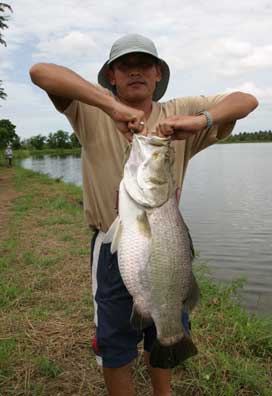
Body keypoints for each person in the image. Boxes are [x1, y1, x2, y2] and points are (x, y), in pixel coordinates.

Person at [29, 33, 258, 396]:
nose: (135, 72)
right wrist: (112, 107)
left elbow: (247, 100)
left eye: (144, 66)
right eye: (125, 66)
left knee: (166, 326)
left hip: (167, 245)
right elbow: (41, 71)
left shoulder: (180, 112)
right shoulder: (91, 108)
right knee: (115, 339)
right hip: (113, 244)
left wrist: (201, 121)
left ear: (157, 75)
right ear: (112, 76)